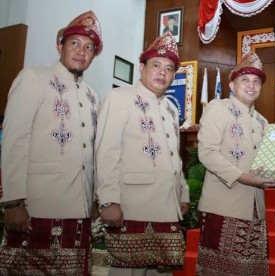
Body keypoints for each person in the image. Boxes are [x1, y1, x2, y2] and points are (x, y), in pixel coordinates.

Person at [0, 10, 102, 275]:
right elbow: (14, 140)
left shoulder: (92, 96)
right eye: (75, 43)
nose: (82, 51)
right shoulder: (33, 77)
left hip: (79, 211)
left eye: (89, 47)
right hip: (37, 207)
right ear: (60, 45)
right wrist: (12, 202)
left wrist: (94, 199)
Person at [95, 31, 189, 276]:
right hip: (132, 206)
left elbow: (174, 156)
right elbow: (106, 152)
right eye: (156, 65)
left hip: (167, 206)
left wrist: (184, 192)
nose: (162, 72)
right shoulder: (119, 98)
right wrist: (108, 200)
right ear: (141, 67)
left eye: (169, 69)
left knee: (162, 272)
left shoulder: (169, 107)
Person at [195, 52, 275, 275]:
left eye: (257, 81)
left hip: (255, 209)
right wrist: (242, 176)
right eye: (245, 80)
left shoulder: (263, 122)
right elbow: (207, 153)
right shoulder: (218, 107)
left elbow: (268, 161)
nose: (252, 85)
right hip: (223, 206)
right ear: (232, 84)